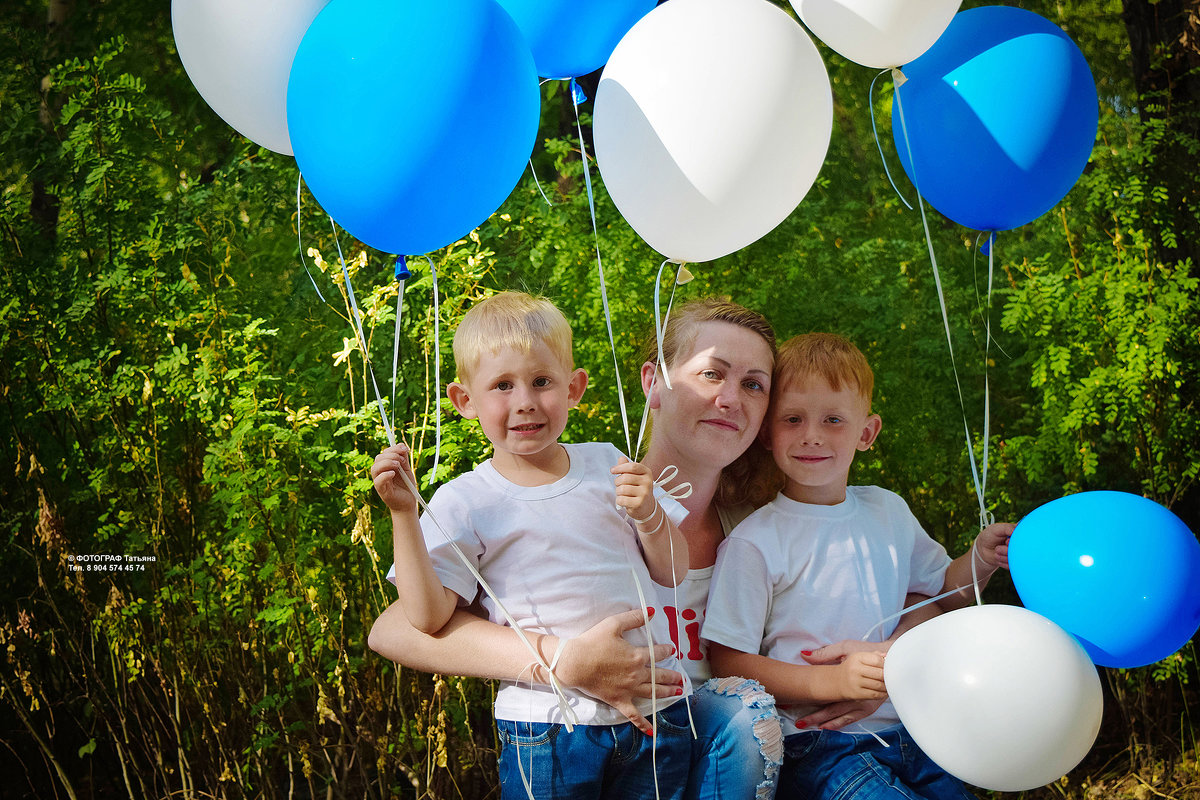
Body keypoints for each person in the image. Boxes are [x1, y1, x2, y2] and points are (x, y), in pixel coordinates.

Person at [372, 291, 693, 799]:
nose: (525, 400)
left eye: (542, 381)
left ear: (574, 388)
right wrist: (403, 514)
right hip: (548, 725)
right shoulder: (465, 501)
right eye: (502, 385)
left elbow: (674, 571)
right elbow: (428, 615)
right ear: (465, 402)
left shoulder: (606, 463)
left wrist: (651, 515)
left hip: (657, 711)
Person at [702, 332, 1014, 800]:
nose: (812, 435)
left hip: (913, 730)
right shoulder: (756, 541)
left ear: (866, 433)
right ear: (768, 432)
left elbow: (945, 594)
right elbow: (726, 659)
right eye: (793, 419)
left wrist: (982, 559)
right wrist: (832, 681)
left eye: (833, 420)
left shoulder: (887, 511)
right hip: (819, 745)